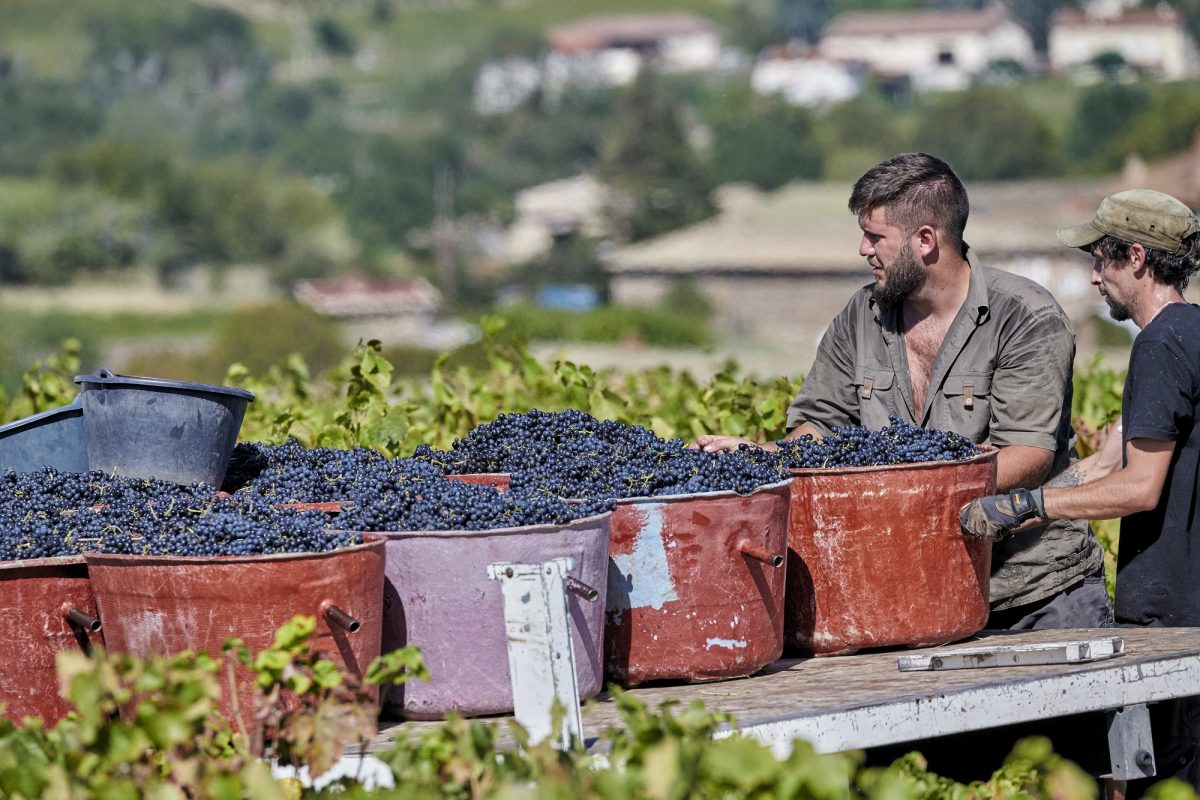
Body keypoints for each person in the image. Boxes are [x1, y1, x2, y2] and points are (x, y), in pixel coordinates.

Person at [698, 152, 1109, 629]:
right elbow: (822, 428)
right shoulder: (861, 316)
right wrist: (765, 455)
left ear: (926, 241)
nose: (862, 249)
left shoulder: (1024, 318)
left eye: (875, 236)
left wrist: (908, 493)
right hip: (911, 594)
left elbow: (1027, 455)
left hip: (1032, 594)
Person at [961, 189, 1200, 790]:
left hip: (1173, 617)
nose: (1094, 277)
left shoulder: (1160, 344)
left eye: (1101, 259)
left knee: (1168, 779)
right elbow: (1109, 461)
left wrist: (1029, 501)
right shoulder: (1192, 332)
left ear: (1138, 258)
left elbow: (1139, 488)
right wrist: (1022, 516)